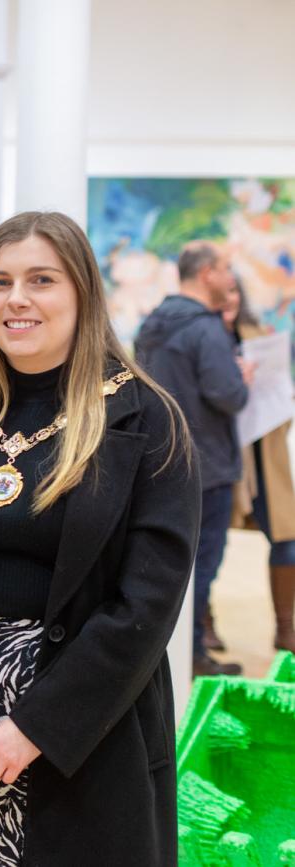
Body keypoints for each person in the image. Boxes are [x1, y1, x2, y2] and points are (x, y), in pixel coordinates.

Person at [0, 211, 198, 867]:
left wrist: (36, 725)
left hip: (90, 725)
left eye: (41, 279)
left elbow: (148, 602)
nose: (16, 298)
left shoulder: (147, 419)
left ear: (82, 292)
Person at [135, 241, 252, 676]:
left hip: (160, 462)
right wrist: (242, 380)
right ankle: (195, 657)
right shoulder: (207, 329)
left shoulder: (152, 323)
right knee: (201, 564)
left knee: (167, 564)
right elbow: (228, 394)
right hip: (208, 466)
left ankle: (169, 656)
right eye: (226, 269)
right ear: (206, 275)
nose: (231, 278)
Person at [224, 280, 295, 653]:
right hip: (221, 456)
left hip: (265, 454)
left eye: (236, 292)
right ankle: (203, 624)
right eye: (224, 293)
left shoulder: (258, 336)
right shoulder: (204, 338)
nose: (230, 299)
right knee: (210, 547)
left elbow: (279, 387)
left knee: (287, 540)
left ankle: (285, 629)